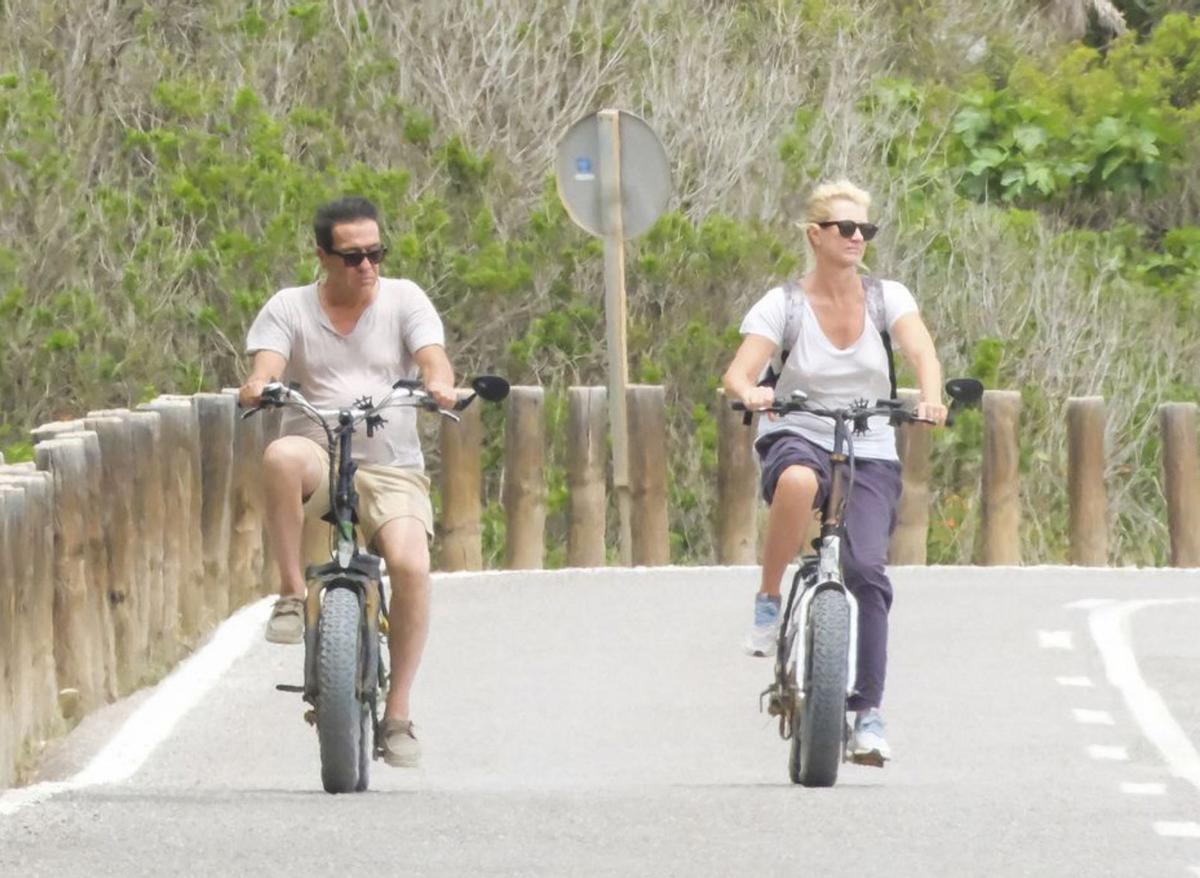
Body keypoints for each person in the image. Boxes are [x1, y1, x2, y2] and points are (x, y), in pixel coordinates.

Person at [721, 179, 947, 765]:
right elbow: (739, 373)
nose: (856, 239)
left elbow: (921, 350)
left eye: (865, 230)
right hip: (799, 427)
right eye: (846, 229)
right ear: (816, 235)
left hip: (869, 436)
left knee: (867, 570)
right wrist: (752, 394)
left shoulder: (885, 297)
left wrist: (930, 397)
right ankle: (769, 598)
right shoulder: (784, 304)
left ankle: (868, 712)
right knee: (798, 482)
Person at [238, 196, 456, 769]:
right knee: (282, 455)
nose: (367, 267)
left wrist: (438, 384)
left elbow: (434, 357)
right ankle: (289, 594)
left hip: (391, 468)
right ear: (323, 257)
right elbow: (266, 366)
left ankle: (399, 714)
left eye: (375, 253)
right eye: (353, 256)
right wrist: (260, 385)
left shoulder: (405, 298)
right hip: (319, 452)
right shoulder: (289, 307)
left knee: (410, 567)